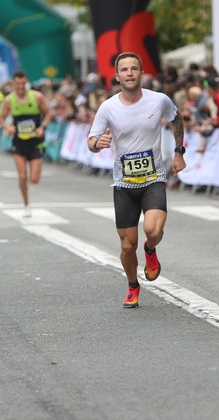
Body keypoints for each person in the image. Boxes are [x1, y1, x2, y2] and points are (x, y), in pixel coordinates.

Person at [87, 52, 186, 308]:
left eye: (134, 69)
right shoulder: (108, 107)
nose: (130, 73)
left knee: (153, 230)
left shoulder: (159, 100)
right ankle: (132, 285)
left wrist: (178, 152)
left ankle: (151, 249)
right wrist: (98, 143)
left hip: (153, 179)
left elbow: (177, 119)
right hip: (123, 184)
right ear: (117, 76)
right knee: (127, 246)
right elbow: (91, 141)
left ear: (141, 73)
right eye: (125, 70)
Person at [0, 70, 52, 218]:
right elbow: (2, 118)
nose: (21, 87)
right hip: (19, 142)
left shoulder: (37, 97)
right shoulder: (9, 100)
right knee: (22, 176)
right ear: (13, 83)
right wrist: (7, 127)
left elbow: (48, 113)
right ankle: (26, 204)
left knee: (34, 179)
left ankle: (31, 187)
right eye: (18, 84)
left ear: (26, 82)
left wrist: (42, 127)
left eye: (23, 83)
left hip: (36, 142)